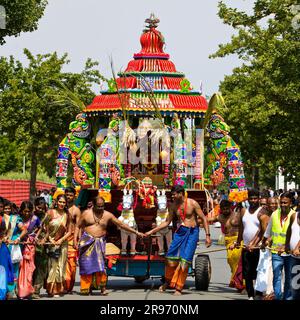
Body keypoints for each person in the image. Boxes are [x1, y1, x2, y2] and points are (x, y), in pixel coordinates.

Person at [146, 185, 212, 296]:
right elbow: (167, 222)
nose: (172, 196)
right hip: (180, 232)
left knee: (185, 261)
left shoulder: (192, 203)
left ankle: (179, 287)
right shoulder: (172, 206)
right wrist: (151, 231)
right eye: (172, 195)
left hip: (192, 233)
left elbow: (204, 218)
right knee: (170, 258)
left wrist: (208, 236)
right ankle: (167, 282)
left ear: (181, 193)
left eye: (174, 194)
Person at [74, 196, 144, 296]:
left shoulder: (108, 215)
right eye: (98, 206)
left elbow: (122, 224)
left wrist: (136, 232)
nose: (100, 208)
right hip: (86, 242)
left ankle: (102, 288)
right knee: (86, 266)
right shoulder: (86, 213)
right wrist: (75, 239)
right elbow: (77, 226)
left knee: (100, 266)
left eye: (102, 206)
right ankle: (86, 288)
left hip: (100, 243)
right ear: (93, 205)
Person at [232, 189, 266, 300]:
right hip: (246, 246)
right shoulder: (243, 211)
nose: (253, 200)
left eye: (255, 198)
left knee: (258, 272)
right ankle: (250, 295)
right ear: (248, 199)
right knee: (247, 273)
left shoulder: (262, 212)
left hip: (258, 247)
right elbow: (242, 227)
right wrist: (238, 241)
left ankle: (259, 294)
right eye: (251, 198)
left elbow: (263, 231)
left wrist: (255, 243)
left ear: (259, 199)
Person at [261, 191, 295, 300]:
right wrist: (263, 243)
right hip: (276, 252)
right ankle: (278, 297)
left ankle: (287, 298)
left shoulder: (294, 216)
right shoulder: (275, 214)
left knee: (289, 278)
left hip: (290, 253)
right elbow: (268, 231)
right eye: (282, 203)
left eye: (285, 203)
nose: (283, 205)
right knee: (277, 277)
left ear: (290, 203)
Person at [209, 200, 245, 292]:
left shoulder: (237, 214)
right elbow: (208, 219)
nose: (225, 210)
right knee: (230, 261)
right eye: (223, 209)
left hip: (238, 240)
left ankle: (241, 283)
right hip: (228, 241)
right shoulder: (220, 217)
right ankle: (237, 280)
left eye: (227, 209)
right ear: (221, 209)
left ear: (230, 208)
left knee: (237, 260)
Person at [43, 194, 71, 297]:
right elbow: (44, 227)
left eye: (64, 202)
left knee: (60, 267)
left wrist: (61, 240)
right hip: (51, 243)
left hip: (62, 244)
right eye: (60, 202)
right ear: (56, 202)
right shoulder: (50, 213)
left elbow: (69, 231)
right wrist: (50, 239)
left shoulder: (67, 215)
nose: (62, 204)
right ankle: (50, 290)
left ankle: (57, 289)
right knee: (52, 267)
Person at [17, 201, 41, 299]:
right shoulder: (18, 219)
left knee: (29, 268)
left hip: (30, 246)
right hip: (19, 245)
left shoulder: (35, 218)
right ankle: (19, 291)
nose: (27, 213)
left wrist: (36, 237)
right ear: (21, 211)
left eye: (29, 211)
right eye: (25, 211)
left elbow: (40, 227)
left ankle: (27, 291)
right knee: (19, 267)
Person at [4, 200, 27, 299]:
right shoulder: (1, 218)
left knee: (13, 269)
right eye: (5, 209)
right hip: (3, 245)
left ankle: (12, 290)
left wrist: (18, 238)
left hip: (12, 246)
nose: (7, 210)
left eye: (9, 208)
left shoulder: (15, 219)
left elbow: (24, 230)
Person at [64, 187, 81, 294]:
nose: (68, 197)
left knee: (72, 266)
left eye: (70, 195)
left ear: (75, 196)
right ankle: (62, 287)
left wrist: (77, 241)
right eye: (67, 195)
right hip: (59, 240)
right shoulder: (60, 208)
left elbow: (79, 226)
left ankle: (69, 287)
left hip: (71, 240)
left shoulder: (76, 210)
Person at [32, 197, 48, 298]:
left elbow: (47, 231)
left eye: (42, 208)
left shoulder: (46, 217)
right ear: (35, 206)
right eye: (38, 207)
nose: (40, 210)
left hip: (42, 246)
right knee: (30, 268)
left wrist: (44, 240)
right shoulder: (30, 215)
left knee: (40, 268)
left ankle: (36, 290)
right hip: (29, 244)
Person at [0, 198, 14, 300]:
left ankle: (3, 293)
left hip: (2, 248)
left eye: (1, 206)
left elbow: (7, 233)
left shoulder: (5, 219)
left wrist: (5, 238)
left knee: (3, 270)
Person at [285, 208, 300, 300]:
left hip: (296, 252)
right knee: (294, 284)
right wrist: (286, 245)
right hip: (294, 257)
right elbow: (289, 231)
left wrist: (297, 247)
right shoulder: (294, 216)